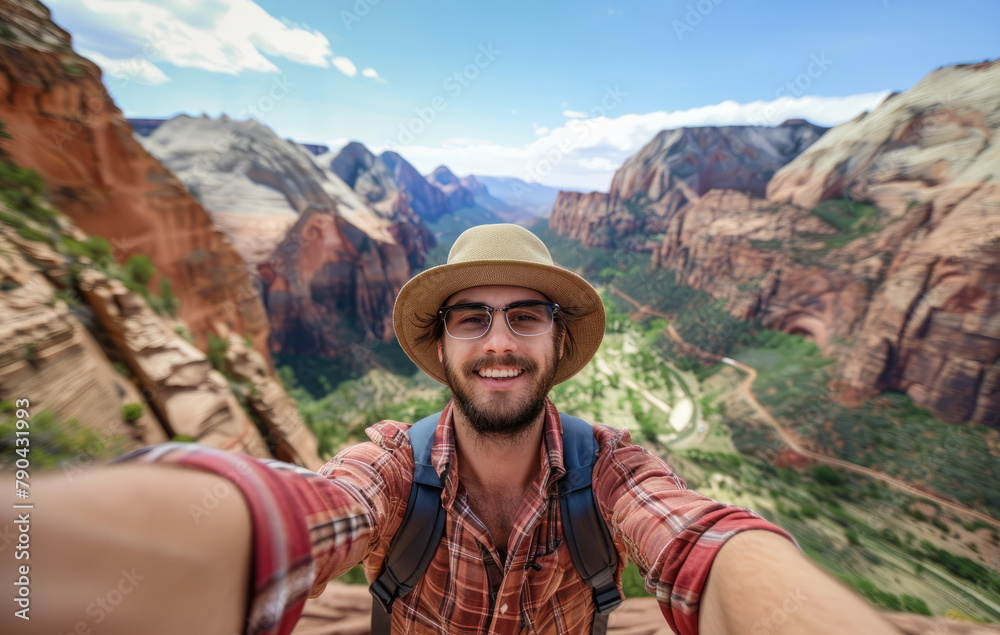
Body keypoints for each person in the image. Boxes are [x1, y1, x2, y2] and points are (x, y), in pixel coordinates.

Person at [1, 224, 902, 635]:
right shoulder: (391, 462)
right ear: (441, 348)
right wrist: (35, 552)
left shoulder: (614, 467)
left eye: (525, 317)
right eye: (472, 317)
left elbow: (706, 542)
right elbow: (310, 510)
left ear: (558, 341)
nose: (499, 343)